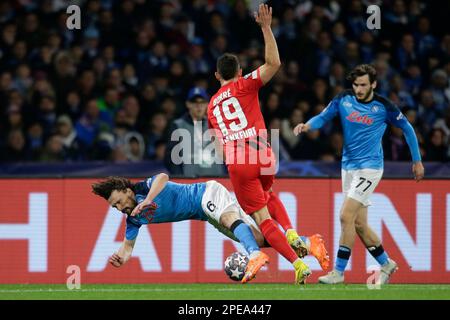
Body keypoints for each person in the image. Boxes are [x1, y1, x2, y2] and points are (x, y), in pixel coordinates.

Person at [207, 4, 329, 285]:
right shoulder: (245, 84)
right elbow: (274, 63)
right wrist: (265, 27)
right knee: (268, 191)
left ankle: (298, 265)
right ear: (239, 71)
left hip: (238, 160)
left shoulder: (212, 106)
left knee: (262, 219)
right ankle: (292, 233)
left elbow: (218, 145)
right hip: (263, 152)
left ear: (217, 77)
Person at [293, 64, 425, 284]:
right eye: (356, 84)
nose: (359, 89)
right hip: (348, 168)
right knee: (359, 224)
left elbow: (408, 129)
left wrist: (417, 161)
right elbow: (323, 117)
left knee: (345, 215)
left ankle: (338, 272)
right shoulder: (343, 99)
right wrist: (307, 126)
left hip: (370, 168)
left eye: (363, 85)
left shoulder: (384, 106)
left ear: (373, 84)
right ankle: (386, 264)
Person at [91, 173, 268, 283]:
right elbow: (128, 247)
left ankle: (254, 254)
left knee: (229, 219)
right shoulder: (134, 218)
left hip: (206, 193)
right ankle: (294, 243)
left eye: (119, 202)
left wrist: (147, 200)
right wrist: (121, 257)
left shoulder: (143, 188)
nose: (120, 208)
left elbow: (163, 177)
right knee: (258, 238)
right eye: (115, 207)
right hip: (205, 214)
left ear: (127, 191)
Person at [164, 86, 225, 177]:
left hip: (217, 180)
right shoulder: (178, 126)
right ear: (188, 104)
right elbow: (171, 159)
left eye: (202, 102)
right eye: (194, 102)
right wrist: (181, 179)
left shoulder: (216, 124)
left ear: (207, 104)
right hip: (190, 183)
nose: (198, 106)